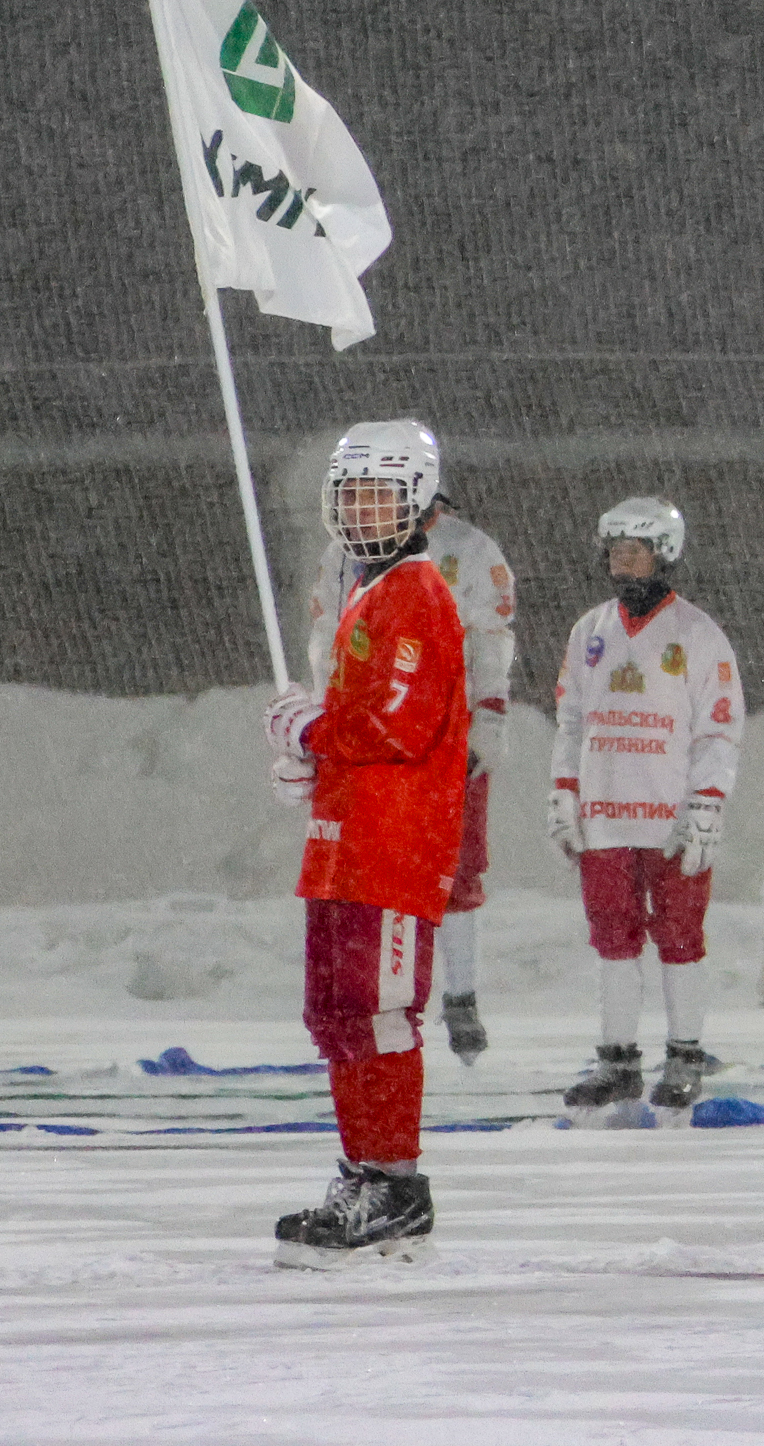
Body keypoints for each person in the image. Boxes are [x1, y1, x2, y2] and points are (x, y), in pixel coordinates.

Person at [263, 420, 471, 1265]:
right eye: (351, 494)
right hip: (344, 838)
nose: (362, 511)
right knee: (338, 1011)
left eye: (380, 495)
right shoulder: (363, 589)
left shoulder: (418, 592)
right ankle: (361, 1169)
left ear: (418, 503)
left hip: (395, 842)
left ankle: (395, 1183)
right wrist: (307, 766)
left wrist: (314, 729)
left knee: (381, 1011)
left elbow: (397, 720)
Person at [547, 497, 744, 1122]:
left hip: (670, 820)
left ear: (665, 556)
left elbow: (719, 728)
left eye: (637, 552)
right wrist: (565, 789)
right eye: (616, 552)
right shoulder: (589, 631)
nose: (625, 563)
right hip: (604, 816)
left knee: (681, 936)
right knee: (612, 939)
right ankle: (618, 1059)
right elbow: (571, 719)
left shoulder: (698, 634)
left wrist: (708, 802)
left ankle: (685, 1055)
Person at [307, 486, 514, 1063]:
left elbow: (491, 641)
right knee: (370, 866)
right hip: (368, 731)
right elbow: (326, 640)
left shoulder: (469, 549)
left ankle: (460, 994)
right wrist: (322, 719)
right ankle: (380, 995)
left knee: (451, 865)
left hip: (444, 732)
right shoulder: (341, 552)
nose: (365, 508)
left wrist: (488, 720)